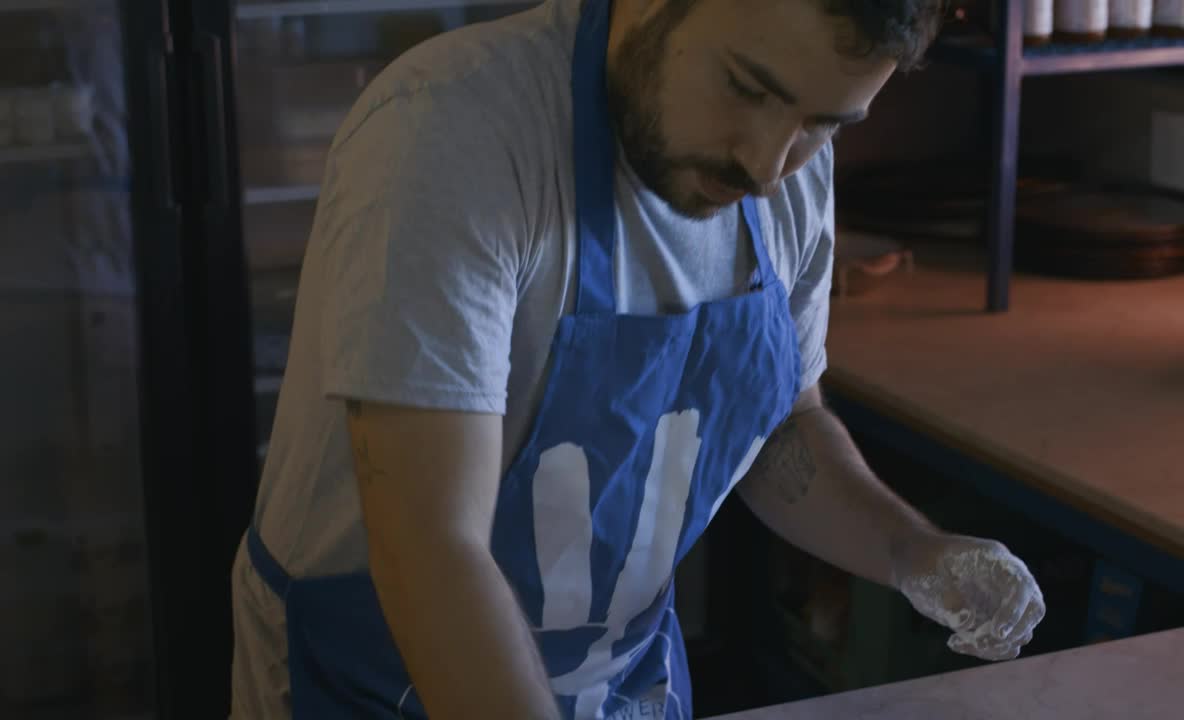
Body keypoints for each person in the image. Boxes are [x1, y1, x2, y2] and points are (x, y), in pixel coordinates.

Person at [229, 0, 1047, 718]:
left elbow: (779, 431)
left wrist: (911, 550)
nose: (767, 166)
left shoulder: (790, 171)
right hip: (378, 676)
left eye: (824, 123)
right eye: (747, 87)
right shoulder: (453, 134)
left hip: (618, 684)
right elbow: (432, 550)